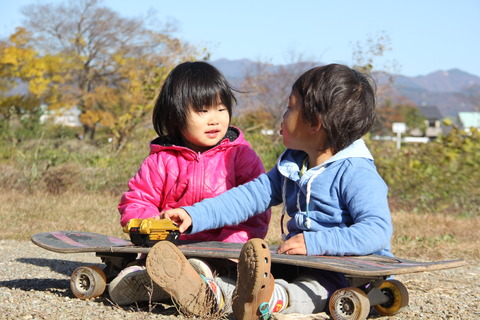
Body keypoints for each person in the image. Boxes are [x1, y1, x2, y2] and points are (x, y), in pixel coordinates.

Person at [149, 64, 393, 319]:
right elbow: (247, 198)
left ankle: (270, 299)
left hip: (348, 270)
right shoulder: (294, 164)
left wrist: (315, 242)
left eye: (290, 107)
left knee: (313, 289)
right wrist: (193, 215)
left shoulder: (356, 172)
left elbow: (376, 230)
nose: (283, 114)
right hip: (300, 261)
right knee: (256, 274)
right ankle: (211, 292)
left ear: (315, 123)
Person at [108, 61, 271, 305]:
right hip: (169, 248)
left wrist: (225, 249)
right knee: (146, 262)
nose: (214, 119)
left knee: (218, 274)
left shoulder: (240, 156)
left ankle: (194, 281)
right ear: (176, 114)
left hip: (221, 255)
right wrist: (150, 229)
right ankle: (140, 280)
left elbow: (255, 210)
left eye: (220, 109)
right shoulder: (161, 160)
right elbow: (139, 199)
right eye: (202, 111)